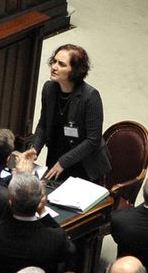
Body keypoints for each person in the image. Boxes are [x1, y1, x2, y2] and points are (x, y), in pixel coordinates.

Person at [28, 45, 111, 183]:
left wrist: (63, 162)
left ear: (75, 71)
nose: (54, 67)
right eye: (54, 61)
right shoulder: (49, 88)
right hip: (56, 156)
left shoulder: (90, 97)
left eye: (61, 64)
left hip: (84, 165)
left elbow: (93, 140)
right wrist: (34, 149)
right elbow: (43, 124)